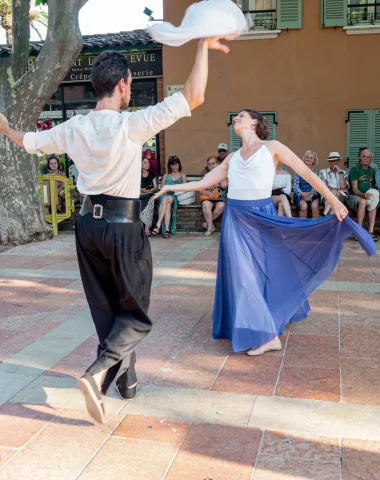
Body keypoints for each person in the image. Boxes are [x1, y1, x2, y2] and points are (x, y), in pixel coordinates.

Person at [0, 35, 232, 424]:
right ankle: (95, 375)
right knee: (136, 314)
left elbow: (30, 142)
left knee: (108, 310)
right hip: (122, 227)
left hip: (86, 227)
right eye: (129, 85)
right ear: (123, 84)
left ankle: (127, 384)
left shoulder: (73, 127)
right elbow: (194, 95)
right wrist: (203, 43)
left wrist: (6, 130)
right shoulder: (131, 125)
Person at [153, 109, 374, 357]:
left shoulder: (272, 147)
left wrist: (332, 200)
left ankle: (269, 335)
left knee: (260, 272)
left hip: (260, 216)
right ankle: (259, 327)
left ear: (255, 122)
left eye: (241, 116)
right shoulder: (232, 158)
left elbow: (307, 174)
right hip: (235, 218)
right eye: (235, 117)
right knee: (242, 273)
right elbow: (204, 183)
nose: (236, 119)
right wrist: (168, 188)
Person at [347, 148, 379, 241]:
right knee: (363, 201)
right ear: (360, 157)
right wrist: (363, 195)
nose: (365, 159)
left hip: (367, 195)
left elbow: (374, 186)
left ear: (371, 159)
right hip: (354, 197)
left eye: (368, 157)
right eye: (364, 156)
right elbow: (355, 189)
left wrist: (373, 195)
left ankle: (370, 231)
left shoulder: (372, 171)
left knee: (374, 201)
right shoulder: (355, 169)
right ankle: (359, 231)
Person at [151, 156, 187, 238]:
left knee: (168, 200)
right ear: (170, 166)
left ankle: (158, 225)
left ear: (179, 164)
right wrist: (167, 190)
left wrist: (174, 189)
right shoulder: (166, 175)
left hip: (175, 195)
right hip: (164, 195)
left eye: (176, 164)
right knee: (167, 201)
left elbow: (185, 188)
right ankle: (166, 230)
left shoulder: (183, 175)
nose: (175, 167)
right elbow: (161, 188)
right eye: (172, 165)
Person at [200, 155, 228, 235]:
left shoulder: (223, 173)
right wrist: (208, 193)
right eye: (209, 164)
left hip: (221, 196)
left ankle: (208, 223)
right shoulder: (205, 175)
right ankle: (210, 227)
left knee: (221, 206)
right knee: (206, 204)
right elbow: (201, 189)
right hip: (209, 196)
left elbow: (225, 186)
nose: (211, 165)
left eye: (213, 163)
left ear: (217, 164)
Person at [319, 152, 349, 216]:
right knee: (334, 204)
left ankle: (325, 213)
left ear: (339, 161)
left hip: (341, 196)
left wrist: (340, 172)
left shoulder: (344, 173)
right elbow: (323, 187)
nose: (334, 163)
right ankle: (328, 218)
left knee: (334, 195)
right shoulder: (323, 172)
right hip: (326, 196)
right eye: (332, 161)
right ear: (329, 162)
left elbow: (343, 187)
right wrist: (338, 190)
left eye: (336, 161)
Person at [293, 150, 320, 219]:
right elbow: (295, 187)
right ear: (304, 158)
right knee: (303, 205)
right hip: (300, 195)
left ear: (314, 160)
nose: (308, 159)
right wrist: (302, 194)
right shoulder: (298, 171)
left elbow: (316, 187)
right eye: (307, 157)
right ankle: (302, 227)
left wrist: (310, 195)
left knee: (314, 205)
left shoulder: (316, 173)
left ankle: (315, 227)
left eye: (311, 158)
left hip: (313, 195)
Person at [140, 158, 158, 235]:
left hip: (148, 194)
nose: (147, 164)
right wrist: (141, 189)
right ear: (140, 164)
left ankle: (147, 228)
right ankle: (139, 227)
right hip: (139, 195)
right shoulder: (136, 174)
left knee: (151, 200)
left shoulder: (152, 174)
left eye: (148, 163)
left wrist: (148, 190)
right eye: (145, 162)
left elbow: (155, 187)